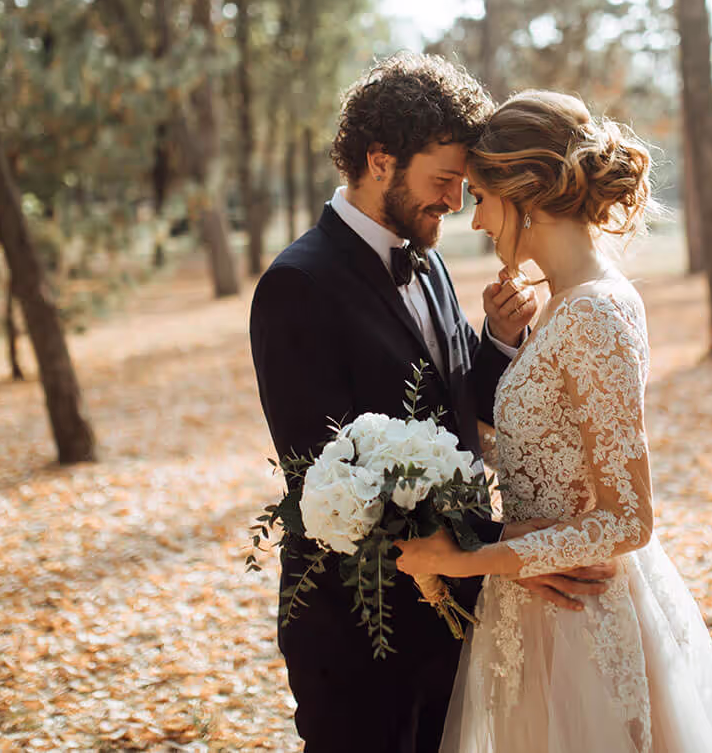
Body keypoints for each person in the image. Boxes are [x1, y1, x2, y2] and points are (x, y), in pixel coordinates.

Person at [249, 55, 614, 753]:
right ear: (380, 161)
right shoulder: (297, 286)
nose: (455, 201)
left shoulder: (432, 259)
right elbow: (329, 479)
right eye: (443, 181)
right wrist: (505, 549)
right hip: (360, 627)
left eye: (463, 184)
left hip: (454, 614)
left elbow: (448, 415)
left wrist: (499, 343)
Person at [395, 90, 712, 752]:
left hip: (580, 625)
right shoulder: (562, 307)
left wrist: (476, 558)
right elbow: (543, 447)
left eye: (481, 195)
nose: (476, 221)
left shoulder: (595, 313)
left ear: (524, 191)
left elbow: (629, 518)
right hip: (534, 616)